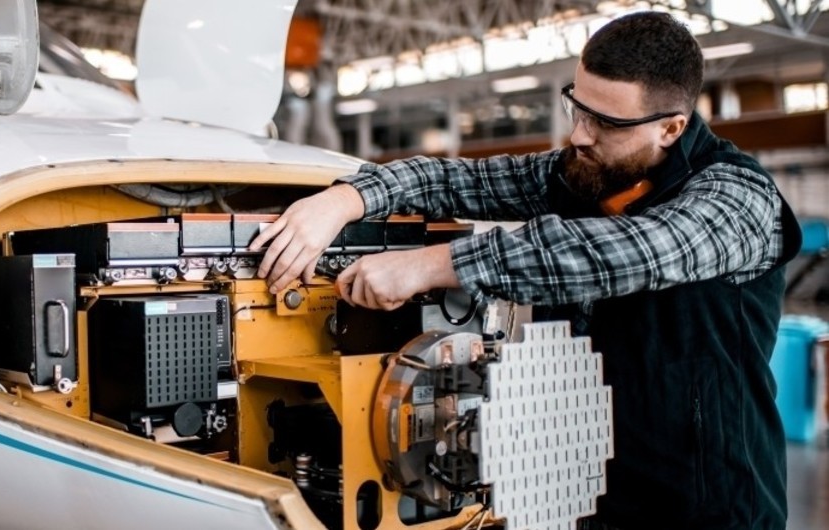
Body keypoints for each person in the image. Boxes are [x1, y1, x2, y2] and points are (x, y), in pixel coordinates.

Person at [250, 11, 801, 530]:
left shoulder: (736, 197)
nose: (580, 135)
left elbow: (629, 252)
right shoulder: (585, 174)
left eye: (605, 122)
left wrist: (431, 266)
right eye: (577, 107)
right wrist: (345, 200)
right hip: (580, 495)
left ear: (671, 128)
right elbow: (452, 181)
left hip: (707, 508)